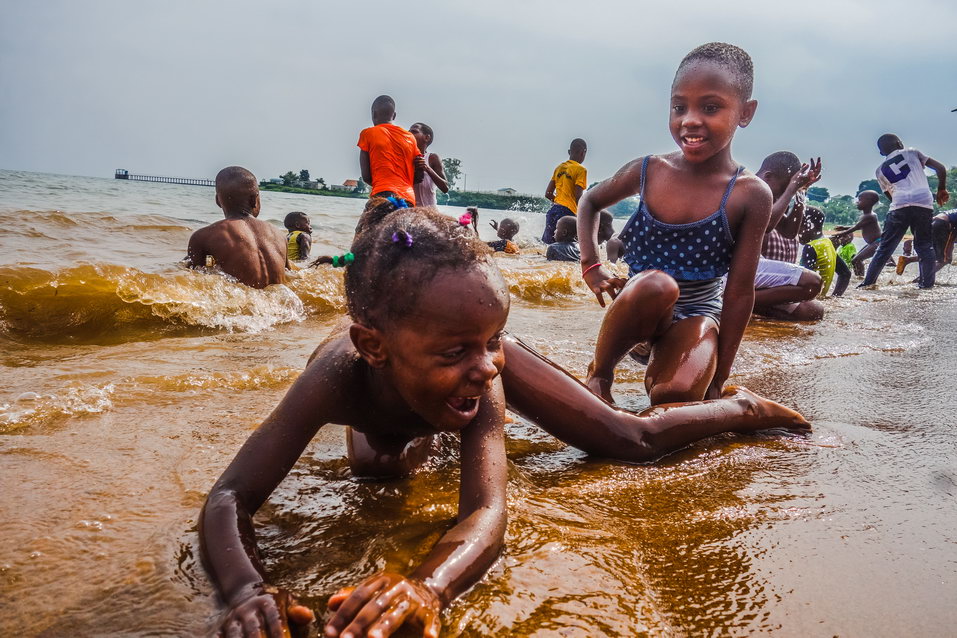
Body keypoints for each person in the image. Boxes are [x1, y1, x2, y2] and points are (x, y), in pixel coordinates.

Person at [199, 204, 809, 638]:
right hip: (393, 399)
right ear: (373, 344)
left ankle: (741, 408)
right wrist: (248, 591)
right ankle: (426, 421)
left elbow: (486, 512)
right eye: (459, 350)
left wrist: (428, 585)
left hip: (435, 379)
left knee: (630, 439)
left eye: (493, 339)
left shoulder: (483, 363)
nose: (488, 368)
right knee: (378, 466)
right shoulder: (336, 374)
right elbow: (230, 496)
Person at [575, 42, 773, 404]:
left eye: (710, 108)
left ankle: (673, 372)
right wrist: (591, 266)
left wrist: (719, 376)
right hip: (640, 313)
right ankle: (600, 374)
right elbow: (590, 200)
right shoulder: (650, 170)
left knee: (675, 395)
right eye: (679, 107)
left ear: (745, 113)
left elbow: (741, 292)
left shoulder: (750, 194)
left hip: (697, 315)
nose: (690, 120)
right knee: (656, 285)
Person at [859, 134, 949, 289]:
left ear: (881, 153)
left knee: (885, 248)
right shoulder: (912, 152)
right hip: (923, 202)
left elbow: (890, 196)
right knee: (925, 246)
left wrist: (902, 205)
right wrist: (941, 189)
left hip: (899, 204)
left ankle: (867, 284)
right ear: (899, 143)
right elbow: (940, 168)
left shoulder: (879, 170)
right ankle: (926, 287)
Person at [750, 152, 824, 321]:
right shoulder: (747, 187)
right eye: (782, 188)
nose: (783, 194)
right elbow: (766, 226)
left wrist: (800, 191)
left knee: (813, 310)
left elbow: (790, 231)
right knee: (812, 283)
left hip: (750, 273)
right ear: (767, 176)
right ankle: (729, 301)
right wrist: (791, 189)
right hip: (727, 269)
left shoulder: (767, 198)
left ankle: (745, 304)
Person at [186, 166, 288, 289]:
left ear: (218, 201)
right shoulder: (279, 234)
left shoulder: (203, 237)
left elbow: (194, 281)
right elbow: (289, 274)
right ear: (255, 200)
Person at [357, 95, 420, 205]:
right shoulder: (410, 137)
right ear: (394, 115)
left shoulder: (367, 134)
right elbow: (419, 176)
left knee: (364, 222)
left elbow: (366, 176)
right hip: (408, 199)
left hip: (382, 194)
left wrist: (382, 184)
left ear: (374, 114)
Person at [542, 138, 588, 244]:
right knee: (567, 246)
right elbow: (577, 197)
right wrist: (583, 215)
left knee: (548, 245)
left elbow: (548, 194)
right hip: (568, 215)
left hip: (553, 211)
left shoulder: (559, 168)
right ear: (583, 152)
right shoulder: (581, 170)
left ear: (569, 152)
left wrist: (558, 203)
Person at [798, 206, 850, 296]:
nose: (796, 232)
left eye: (798, 226)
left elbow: (803, 280)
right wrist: (835, 297)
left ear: (808, 225)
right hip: (818, 299)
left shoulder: (811, 247)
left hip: (808, 300)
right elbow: (846, 274)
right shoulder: (827, 243)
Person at [832, 190, 884, 277]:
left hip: (878, 242)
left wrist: (839, 234)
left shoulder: (870, 216)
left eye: (860, 200)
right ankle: (860, 277)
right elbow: (860, 226)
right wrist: (844, 227)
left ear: (869, 202)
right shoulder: (866, 216)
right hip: (874, 242)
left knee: (856, 260)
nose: (857, 202)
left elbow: (856, 228)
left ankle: (860, 278)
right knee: (855, 260)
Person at [410, 122, 449, 207]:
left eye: (414, 131)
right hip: (410, 212)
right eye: (409, 131)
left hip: (430, 213)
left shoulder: (432, 158)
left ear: (427, 137)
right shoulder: (404, 158)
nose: (409, 134)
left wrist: (426, 168)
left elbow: (445, 188)